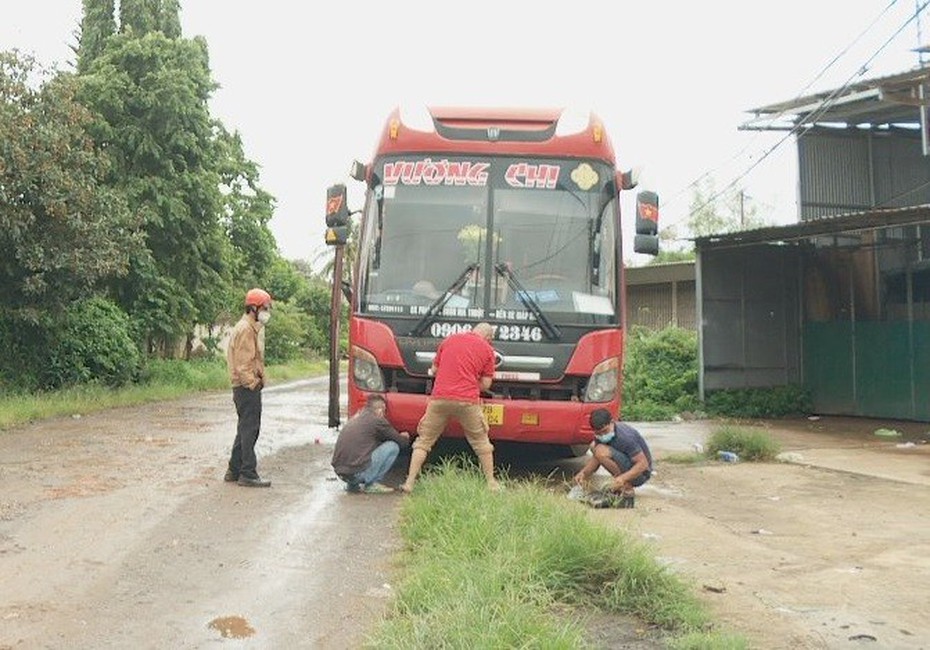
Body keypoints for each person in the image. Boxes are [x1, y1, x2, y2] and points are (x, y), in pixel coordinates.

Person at [400, 322, 500, 493]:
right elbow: (485, 384)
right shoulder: (487, 349)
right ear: (488, 337)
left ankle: (409, 482)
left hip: (439, 398)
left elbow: (434, 369)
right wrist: (469, 379)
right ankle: (491, 483)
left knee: (423, 442)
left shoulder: (449, 340)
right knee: (481, 442)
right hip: (467, 401)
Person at [225, 287, 273, 488]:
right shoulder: (245, 329)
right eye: (264, 308)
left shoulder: (249, 327)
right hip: (246, 387)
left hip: (243, 387)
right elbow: (243, 363)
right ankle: (248, 473)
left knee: (244, 428)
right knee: (250, 430)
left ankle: (234, 470)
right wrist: (253, 384)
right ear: (253, 308)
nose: (267, 312)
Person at [331, 395, 411, 494]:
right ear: (380, 410)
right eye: (384, 411)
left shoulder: (356, 417)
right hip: (357, 474)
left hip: (341, 474)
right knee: (392, 446)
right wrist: (405, 437)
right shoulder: (377, 420)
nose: (384, 415)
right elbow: (402, 443)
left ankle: (352, 485)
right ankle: (372, 484)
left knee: (364, 448)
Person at [573, 408, 653, 497]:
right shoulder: (600, 436)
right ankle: (622, 483)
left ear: (611, 422)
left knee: (600, 450)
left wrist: (623, 478)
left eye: (605, 431)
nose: (602, 435)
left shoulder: (625, 437)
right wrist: (583, 473)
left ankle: (626, 487)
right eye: (598, 433)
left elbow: (643, 464)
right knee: (595, 447)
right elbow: (597, 458)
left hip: (641, 474)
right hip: (627, 465)